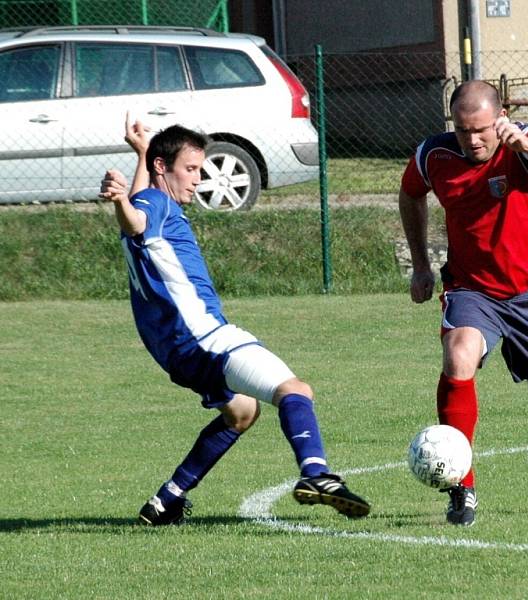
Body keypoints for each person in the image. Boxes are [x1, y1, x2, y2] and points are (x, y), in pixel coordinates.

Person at [99, 115, 370, 525]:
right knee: (294, 390)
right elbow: (137, 217)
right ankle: (316, 474)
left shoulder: (150, 201)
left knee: (241, 413)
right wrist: (121, 201)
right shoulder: (154, 206)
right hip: (207, 338)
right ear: (162, 168)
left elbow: (138, 211)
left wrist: (140, 155)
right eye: (190, 169)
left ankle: (167, 500)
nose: (197, 179)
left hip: (176, 353)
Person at [398, 80, 528, 526]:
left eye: (481, 129)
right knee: (458, 355)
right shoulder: (433, 156)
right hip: (472, 290)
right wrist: (422, 264)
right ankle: (462, 485)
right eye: (463, 130)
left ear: (499, 121)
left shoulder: (524, 147)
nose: (472, 138)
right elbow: (410, 194)